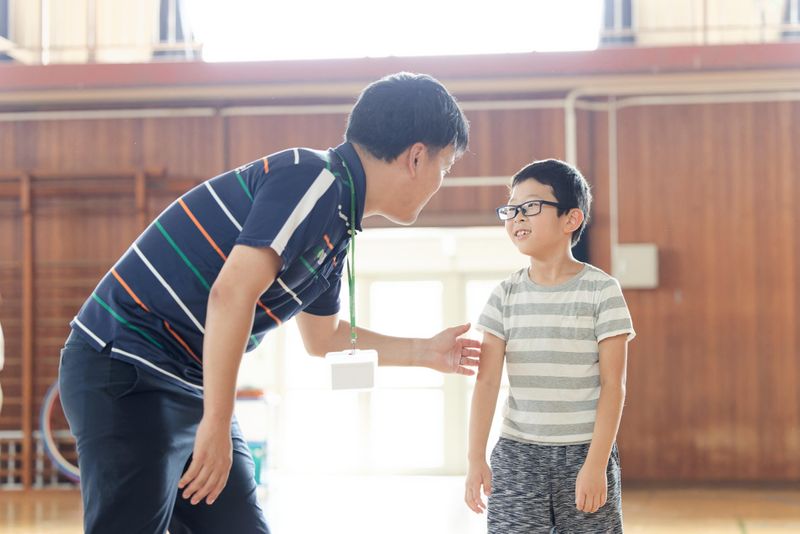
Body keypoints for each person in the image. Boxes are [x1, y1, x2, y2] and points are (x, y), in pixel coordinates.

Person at [59, 72, 477, 534]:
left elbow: (323, 339)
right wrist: (217, 422)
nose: (441, 181)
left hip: (189, 382)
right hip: (129, 364)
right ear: (416, 157)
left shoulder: (337, 223)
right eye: (445, 166)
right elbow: (231, 294)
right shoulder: (313, 179)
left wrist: (425, 351)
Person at [464, 159, 635, 533]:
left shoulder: (603, 291)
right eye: (511, 209)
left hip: (585, 452)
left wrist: (596, 464)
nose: (517, 217)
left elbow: (613, 385)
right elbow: (486, 382)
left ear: (571, 219)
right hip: (518, 456)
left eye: (530, 207)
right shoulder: (504, 295)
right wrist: (475, 458)